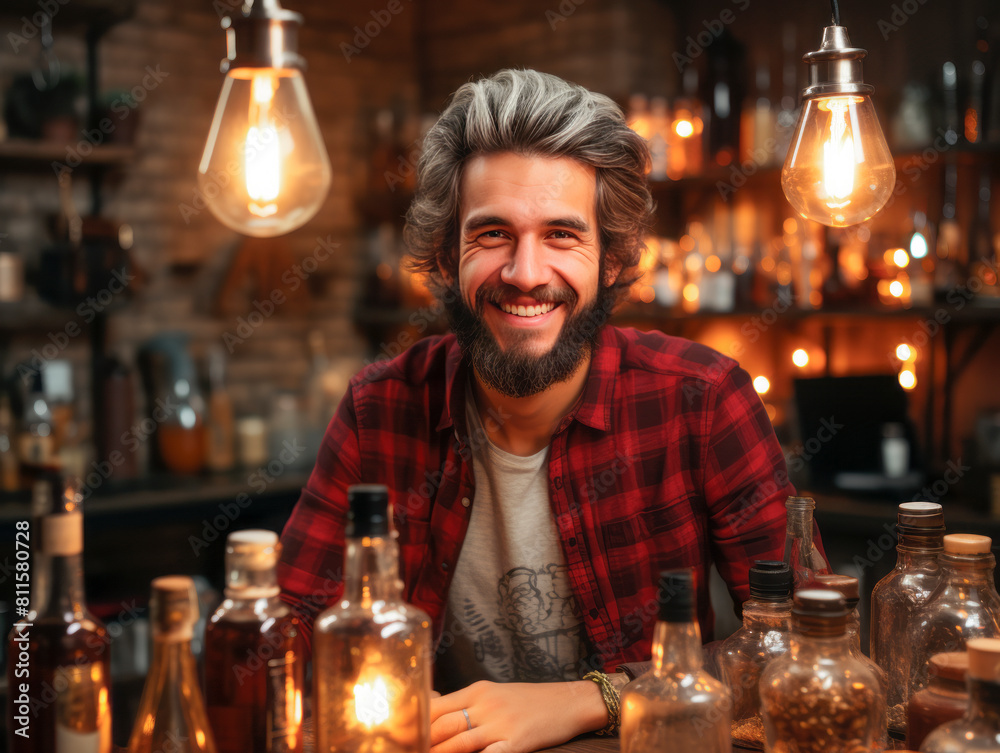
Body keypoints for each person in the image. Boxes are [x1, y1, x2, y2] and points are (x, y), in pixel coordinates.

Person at [278, 69, 816, 753]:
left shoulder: (704, 399)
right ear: (447, 256)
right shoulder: (378, 407)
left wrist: (599, 697)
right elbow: (283, 650)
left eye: (562, 234)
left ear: (612, 258)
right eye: (493, 233)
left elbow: (806, 648)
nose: (526, 272)